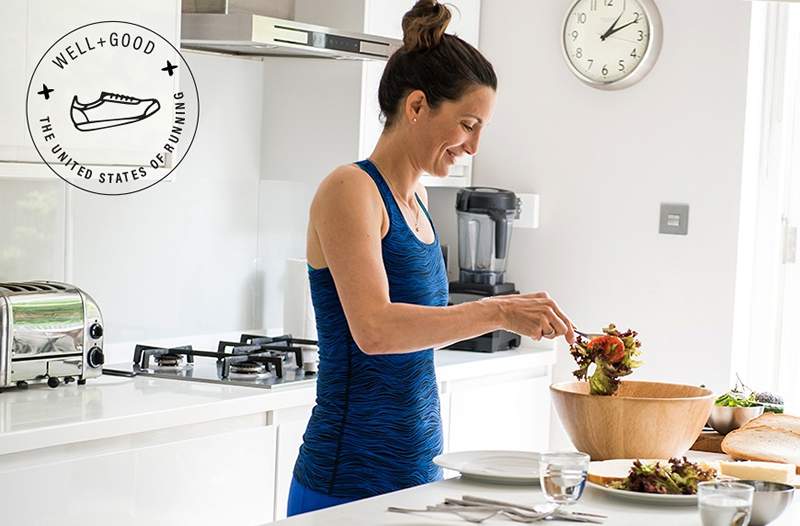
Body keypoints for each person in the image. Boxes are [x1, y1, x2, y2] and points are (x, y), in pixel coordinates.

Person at [287, 0, 575, 516]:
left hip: (418, 474)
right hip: (347, 480)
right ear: (417, 106)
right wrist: (500, 311)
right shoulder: (350, 189)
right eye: (467, 124)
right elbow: (374, 331)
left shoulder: (416, 205)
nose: (473, 145)